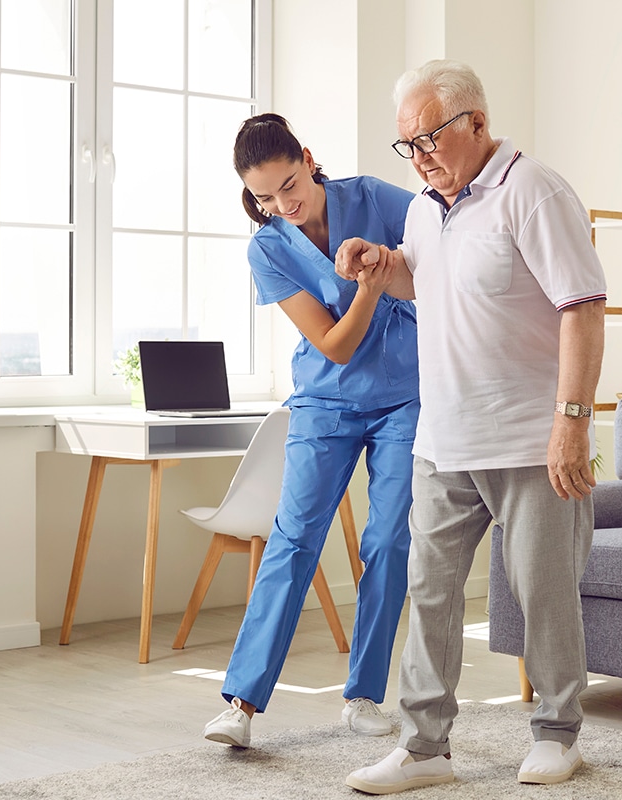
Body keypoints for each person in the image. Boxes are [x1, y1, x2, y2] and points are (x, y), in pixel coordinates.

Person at [336, 61, 607, 793]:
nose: (419, 154)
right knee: (429, 591)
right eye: (407, 144)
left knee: (542, 590)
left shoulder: (535, 191)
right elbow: (429, 282)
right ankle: (425, 749)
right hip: (444, 438)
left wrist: (571, 424)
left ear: (476, 124)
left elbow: (582, 307)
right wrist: (381, 265)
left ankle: (558, 732)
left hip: (529, 437)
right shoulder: (425, 209)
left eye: (430, 137)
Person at [202, 113, 420, 749]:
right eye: (265, 197)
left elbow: (445, 232)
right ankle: (240, 704)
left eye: (290, 185)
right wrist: (372, 290)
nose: (283, 205)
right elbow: (333, 344)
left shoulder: (375, 198)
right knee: (294, 540)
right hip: (325, 401)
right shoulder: (268, 247)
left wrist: (388, 266)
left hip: (404, 398)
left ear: (307, 158)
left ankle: (363, 695)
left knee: (386, 541)